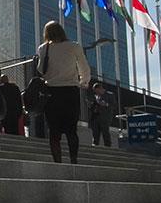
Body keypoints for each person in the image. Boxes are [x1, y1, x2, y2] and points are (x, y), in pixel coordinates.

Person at [36, 21, 91, 164]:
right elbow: (84, 67)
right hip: (70, 92)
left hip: (51, 93)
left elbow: (41, 70)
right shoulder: (74, 46)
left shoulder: (43, 48)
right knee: (71, 130)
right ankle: (73, 160)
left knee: (54, 132)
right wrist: (83, 82)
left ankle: (58, 162)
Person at [88, 82, 113, 147]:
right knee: (95, 134)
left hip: (104, 118)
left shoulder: (109, 95)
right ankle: (95, 145)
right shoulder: (95, 96)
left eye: (97, 91)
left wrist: (106, 104)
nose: (96, 93)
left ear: (100, 88)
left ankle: (108, 147)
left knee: (105, 133)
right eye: (95, 92)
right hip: (95, 117)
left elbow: (114, 105)